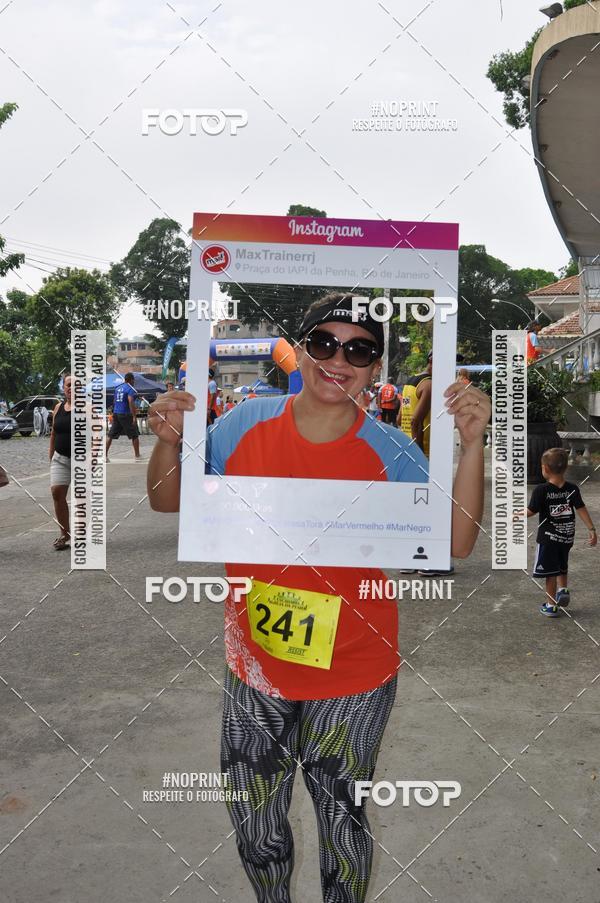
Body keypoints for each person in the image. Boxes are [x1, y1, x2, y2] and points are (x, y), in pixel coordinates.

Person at [147, 293, 490, 903]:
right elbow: (168, 501)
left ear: (376, 369)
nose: (340, 359)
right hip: (255, 668)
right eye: (325, 344)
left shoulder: (392, 451)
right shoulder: (243, 424)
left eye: (359, 349)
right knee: (256, 830)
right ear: (300, 353)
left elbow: (458, 539)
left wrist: (471, 445)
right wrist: (170, 441)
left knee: (342, 824)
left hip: (355, 672)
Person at [527, 447, 597, 617]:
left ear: (545, 469)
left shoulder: (541, 490)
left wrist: (515, 514)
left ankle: (551, 606)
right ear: (566, 468)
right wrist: (592, 529)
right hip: (566, 537)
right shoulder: (572, 488)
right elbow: (581, 508)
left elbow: (531, 511)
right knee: (561, 562)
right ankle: (563, 589)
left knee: (549, 572)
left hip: (548, 539)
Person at [49, 375, 73, 550]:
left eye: (75, 385)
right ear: (63, 388)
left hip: (82, 459)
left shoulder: (87, 408)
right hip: (60, 458)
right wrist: (51, 456)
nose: (71, 388)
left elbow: (96, 435)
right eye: (68, 385)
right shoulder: (58, 407)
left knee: (82, 498)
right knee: (57, 493)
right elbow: (53, 433)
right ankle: (64, 534)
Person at [106, 373, 141, 461]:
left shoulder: (117, 388)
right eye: (134, 381)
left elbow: (114, 401)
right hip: (126, 414)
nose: (134, 382)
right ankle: (137, 456)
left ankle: (104, 456)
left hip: (117, 413)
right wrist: (134, 416)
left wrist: (114, 412)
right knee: (135, 435)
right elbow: (130, 401)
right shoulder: (130, 388)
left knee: (110, 435)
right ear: (131, 380)